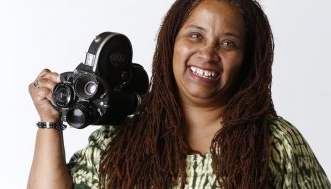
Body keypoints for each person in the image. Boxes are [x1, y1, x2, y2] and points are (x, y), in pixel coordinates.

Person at [28, 0, 331, 188]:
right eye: (195, 36)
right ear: (172, 44)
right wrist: (50, 122)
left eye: (228, 43)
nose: (208, 53)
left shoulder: (276, 144)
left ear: (247, 60)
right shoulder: (118, 142)